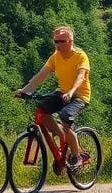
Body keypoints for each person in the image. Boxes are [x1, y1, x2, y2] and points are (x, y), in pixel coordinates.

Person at [15, 25, 91, 169]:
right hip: (62, 92)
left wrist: (71, 91)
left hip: (79, 95)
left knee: (65, 116)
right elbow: (41, 75)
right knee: (41, 110)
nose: (58, 45)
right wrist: (25, 91)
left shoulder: (80, 56)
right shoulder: (55, 57)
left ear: (70, 41)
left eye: (61, 41)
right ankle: (63, 137)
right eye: (56, 41)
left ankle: (77, 156)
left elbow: (81, 76)